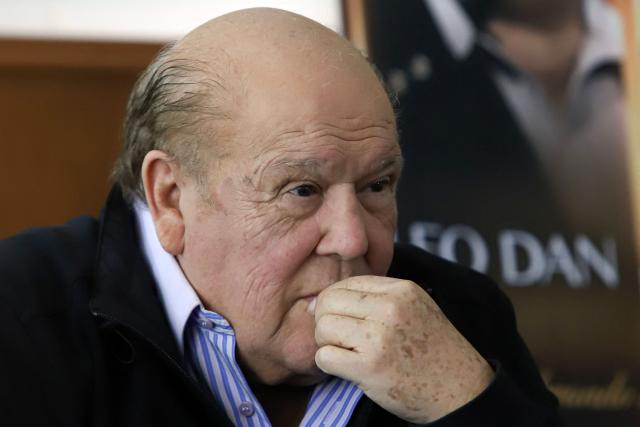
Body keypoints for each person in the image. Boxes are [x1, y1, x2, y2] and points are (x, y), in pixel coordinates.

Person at [0, 8, 558, 427]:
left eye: (377, 185)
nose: (351, 238)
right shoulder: (23, 316)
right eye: (302, 190)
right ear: (171, 197)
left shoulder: (462, 317)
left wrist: (468, 402)